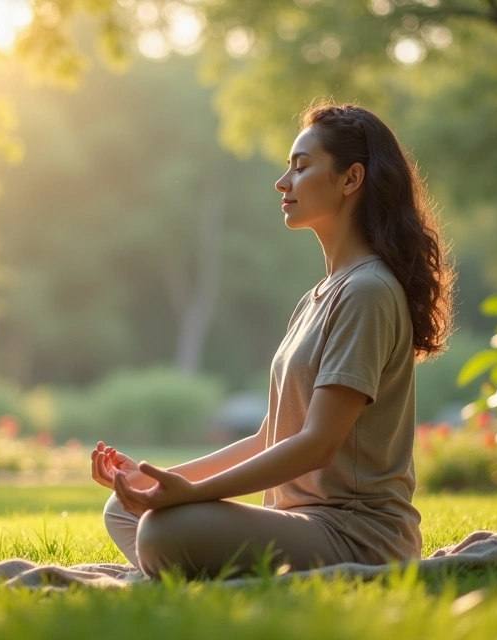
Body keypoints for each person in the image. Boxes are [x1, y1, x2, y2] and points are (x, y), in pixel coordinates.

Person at [90, 102, 454, 580]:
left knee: (159, 531)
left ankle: (196, 567)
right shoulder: (318, 297)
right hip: (298, 521)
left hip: (357, 534)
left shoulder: (368, 291)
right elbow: (271, 437)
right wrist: (157, 478)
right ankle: (203, 567)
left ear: (351, 179)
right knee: (123, 512)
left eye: (301, 167)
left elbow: (319, 444)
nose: (283, 182)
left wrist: (193, 496)